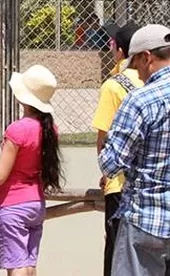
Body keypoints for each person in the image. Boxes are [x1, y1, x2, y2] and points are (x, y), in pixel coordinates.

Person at [0, 64, 63, 276]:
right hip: (35, 203)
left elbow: (0, 176)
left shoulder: (18, 129)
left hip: (13, 204)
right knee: (29, 264)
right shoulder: (50, 129)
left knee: (17, 265)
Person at [100, 24, 170, 276]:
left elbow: (111, 163)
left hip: (145, 218)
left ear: (146, 57)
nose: (137, 71)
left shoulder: (140, 101)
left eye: (136, 63)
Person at [91, 21, 143, 276]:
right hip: (150, 185)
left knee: (116, 255)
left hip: (120, 185)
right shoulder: (158, 83)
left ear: (122, 52)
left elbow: (103, 138)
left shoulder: (114, 86)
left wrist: (106, 172)